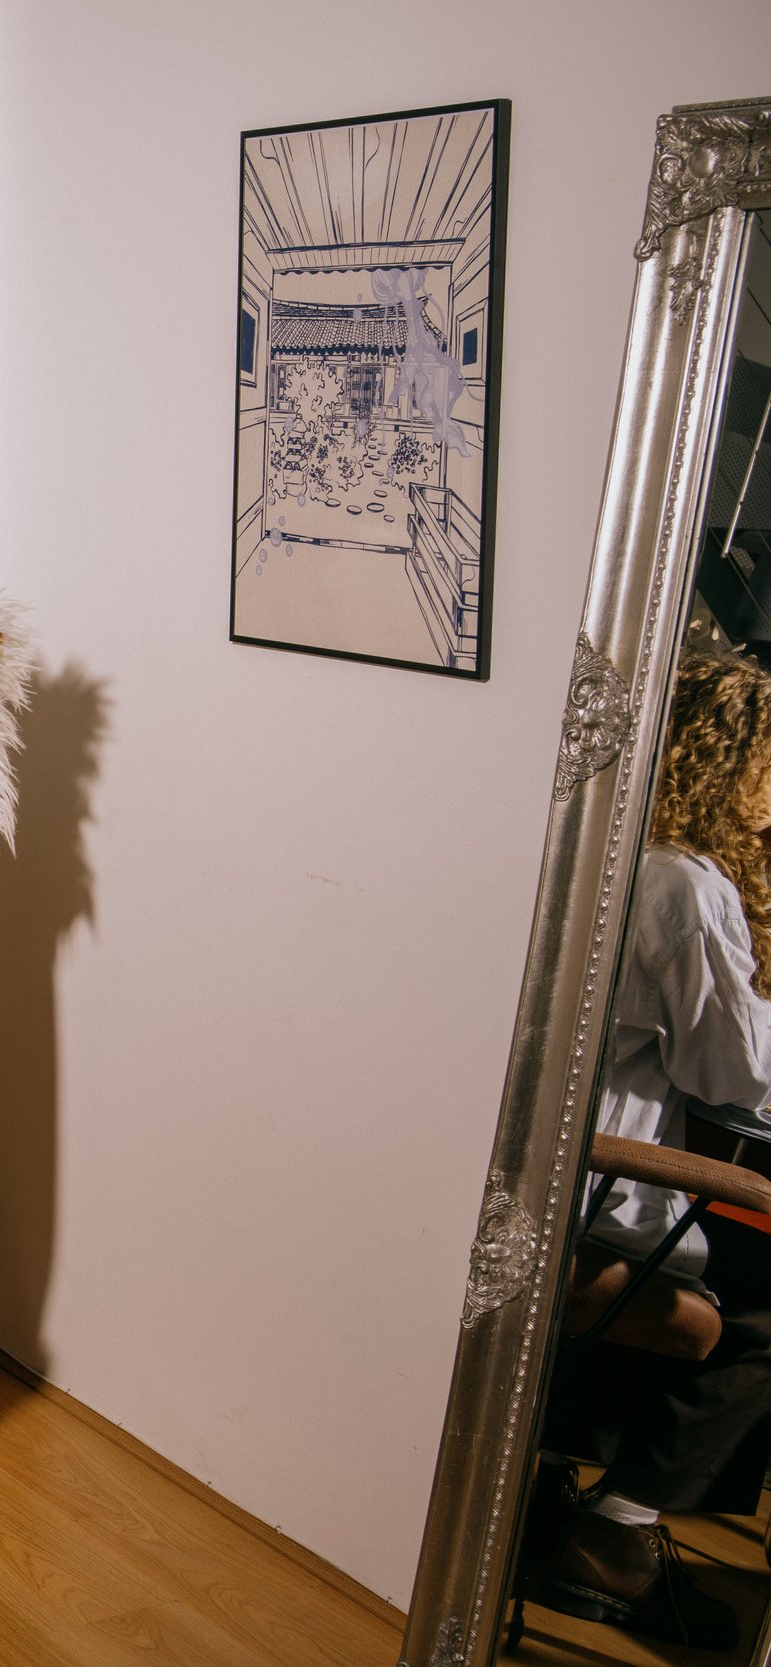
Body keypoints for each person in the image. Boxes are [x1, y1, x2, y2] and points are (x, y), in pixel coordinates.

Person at [531, 648, 771, 1651]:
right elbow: (742, 1078)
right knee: (760, 1315)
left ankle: (553, 1479)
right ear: (733, 762)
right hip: (595, 1210)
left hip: (546, 1183)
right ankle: (616, 1529)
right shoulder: (683, 885)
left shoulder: (597, 847)